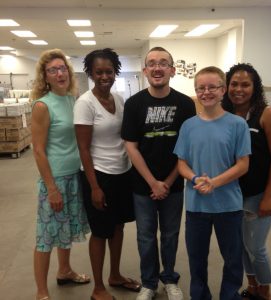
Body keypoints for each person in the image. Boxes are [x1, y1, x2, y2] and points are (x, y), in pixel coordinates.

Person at [121, 46, 196, 300]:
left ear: (172, 70)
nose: (157, 67)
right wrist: (153, 182)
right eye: (152, 63)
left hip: (174, 185)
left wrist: (168, 181)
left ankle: (170, 279)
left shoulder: (186, 104)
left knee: (171, 235)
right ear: (144, 70)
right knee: (145, 236)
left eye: (163, 63)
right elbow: (130, 145)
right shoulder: (134, 104)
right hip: (143, 185)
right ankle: (149, 283)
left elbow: (186, 149)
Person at [174, 66, 251, 300]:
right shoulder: (188, 126)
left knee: (233, 259)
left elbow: (243, 164)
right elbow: (181, 164)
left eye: (212, 87)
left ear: (223, 90)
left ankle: (230, 295)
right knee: (197, 260)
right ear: (196, 91)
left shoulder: (237, 125)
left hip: (228, 206)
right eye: (201, 88)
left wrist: (215, 182)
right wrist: (196, 178)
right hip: (197, 206)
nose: (206, 92)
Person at [74, 48, 141, 300]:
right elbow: (83, 148)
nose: (104, 76)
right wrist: (94, 187)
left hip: (122, 173)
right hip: (98, 176)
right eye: (98, 71)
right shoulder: (84, 103)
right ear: (90, 73)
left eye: (109, 71)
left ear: (116, 72)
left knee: (118, 227)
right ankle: (98, 288)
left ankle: (115, 274)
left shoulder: (119, 99)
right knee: (101, 231)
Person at [31, 49, 90, 300]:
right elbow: (38, 151)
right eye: (53, 70)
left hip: (74, 175)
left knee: (65, 229)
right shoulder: (43, 105)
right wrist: (51, 188)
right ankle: (42, 291)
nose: (59, 73)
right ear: (45, 76)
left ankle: (64, 270)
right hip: (54, 179)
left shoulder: (71, 99)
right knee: (46, 236)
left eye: (62, 68)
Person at [222, 63, 271, 300]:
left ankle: (266, 291)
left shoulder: (267, 114)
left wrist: (269, 195)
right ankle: (253, 287)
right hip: (235, 193)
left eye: (245, 84)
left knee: (256, 246)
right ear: (227, 86)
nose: (239, 89)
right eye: (234, 84)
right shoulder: (224, 114)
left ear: (255, 87)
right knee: (241, 246)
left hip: (261, 193)